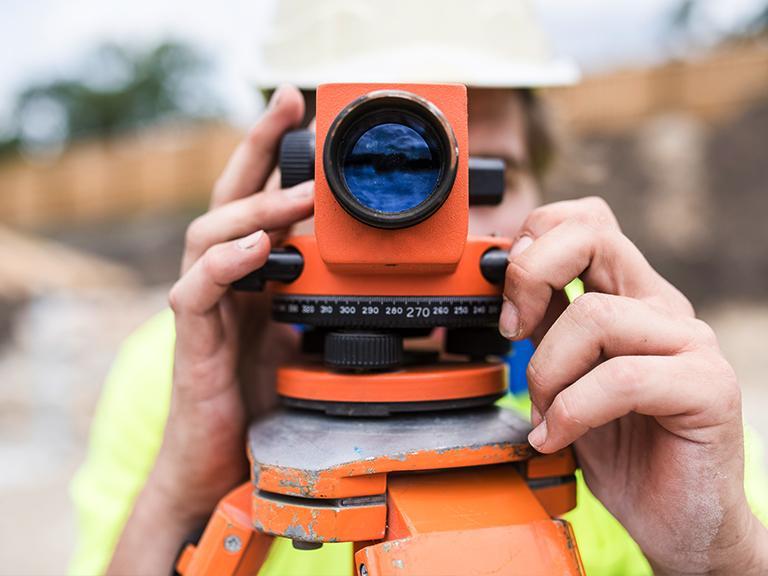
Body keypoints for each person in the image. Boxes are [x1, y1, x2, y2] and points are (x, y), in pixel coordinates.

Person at [70, 1, 768, 575]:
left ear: (537, 185)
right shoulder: (167, 373)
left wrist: (718, 557)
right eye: (373, 162)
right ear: (280, 171)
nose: (420, 212)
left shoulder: (637, 382)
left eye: (475, 171)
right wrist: (182, 491)